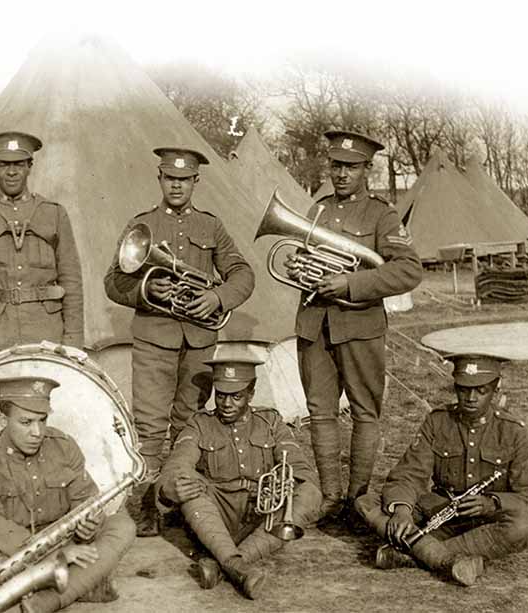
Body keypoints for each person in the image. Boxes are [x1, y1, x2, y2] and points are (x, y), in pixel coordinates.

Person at [104, 147, 255, 536]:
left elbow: (242, 272)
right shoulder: (142, 225)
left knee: (189, 424)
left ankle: (181, 500)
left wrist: (217, 297)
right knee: (150, 426)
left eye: (184, 179)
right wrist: (144, 287)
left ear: (195, 182)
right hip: (154, 337)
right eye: (170, 178)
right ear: (160, 179)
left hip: (200, 338)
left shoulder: (211, 226)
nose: (176, 184)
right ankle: (147, 507)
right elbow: (113, 281)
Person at [288, 130, 422, 522]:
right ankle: (330, 498)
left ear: (367, 169)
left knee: (365, 412)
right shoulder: (317, 210)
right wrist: (298, 266)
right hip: (315, 324)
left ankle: (357, 499)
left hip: (360, 325)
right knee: (320, 411)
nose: (341, 174)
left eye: (350, 167)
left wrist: (351, 283)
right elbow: (302, 256)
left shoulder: (383, 214)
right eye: (336, 165)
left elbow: (408, 270)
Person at [0, 375, 135, 613]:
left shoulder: (64, 445)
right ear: (3, 420)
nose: (37, 432)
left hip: (66, 541)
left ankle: (48, 597)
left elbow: (86, 499)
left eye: (42, 420)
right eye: (26, 422)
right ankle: (81, 584)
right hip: (15, 548)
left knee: (122, 525)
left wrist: (90, 525)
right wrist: (53, 555)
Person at [355, 354, 528, 587]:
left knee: (523, 524)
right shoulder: (438, 421)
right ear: (456, 388)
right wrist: (402, 511)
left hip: (485, 522)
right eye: (464, 390)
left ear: (496, 391)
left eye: (481, 391)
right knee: (366, 502)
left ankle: (410, 553)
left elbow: (525, 495)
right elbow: (409, 473)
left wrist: (492, 503)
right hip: (441, 509)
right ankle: (447, 560)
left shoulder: (514, 431)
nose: (471, 398)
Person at [157, 357, 321, 599]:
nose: (226, 403)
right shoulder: (200, 423)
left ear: (251, 394)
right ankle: (238, 567)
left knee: (309, 493)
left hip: (260, 513)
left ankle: (227, 563)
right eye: (221, 395)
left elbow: (299, 467)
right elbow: (177, 464)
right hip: (215, 514)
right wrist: (172, 487)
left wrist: (288, 483)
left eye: (236, 396)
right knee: (188, 484)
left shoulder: (271, 421)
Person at [0, 131, 84, 377]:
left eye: (18, 164)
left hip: (46, 336)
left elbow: (72, 282)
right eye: (4, 164)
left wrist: (74, 342)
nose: (11, 172)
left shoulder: (54, 214)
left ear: (29, 166)